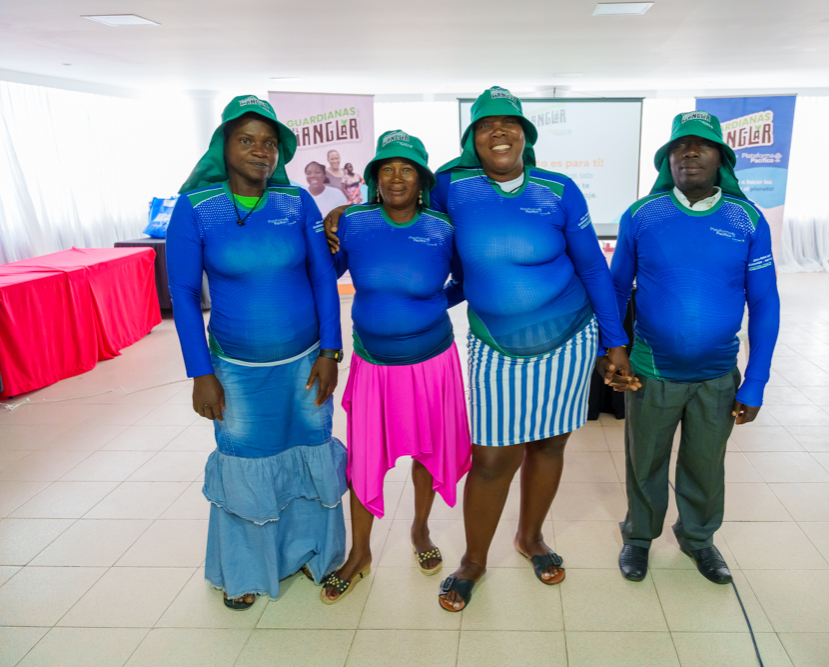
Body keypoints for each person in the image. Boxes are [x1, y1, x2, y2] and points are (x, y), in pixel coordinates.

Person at [428, 86, 634, 611]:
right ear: (471, 138)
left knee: (549, 445)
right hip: (495, 344)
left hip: (569, 336)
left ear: (526, 135)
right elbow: (407, 219)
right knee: (493, 456)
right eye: (485, 124)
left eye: (510, 123)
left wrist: (615, 341)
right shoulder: (451, 188)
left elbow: (592, 267)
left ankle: (531, 537)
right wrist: (344, 217)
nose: (499, 131)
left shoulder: (558, 189)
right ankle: (474, 560)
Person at [166, 95, 347, 610]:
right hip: (237, 371)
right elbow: (181, 293)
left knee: (310, 451)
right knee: (246, 459)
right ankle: (245, 569)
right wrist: (200, 372)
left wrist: (331, 351)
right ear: (223, 147)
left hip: (306, 362)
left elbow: (321, 278)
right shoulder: (196, 208)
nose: (260, 151)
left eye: (269, 143)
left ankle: (316, 553)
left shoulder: (297, 204)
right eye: (246, 140)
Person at [608, 110, 780, 584]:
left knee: (705, 465)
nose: (689, 153)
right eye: (679, 147)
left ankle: (698, 540)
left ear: (721, 158)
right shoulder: (643, 215)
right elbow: (616, 290)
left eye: (701, 145)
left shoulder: (746, 219)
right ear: (668, 160)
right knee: (646, 462)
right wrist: (612, 348)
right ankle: (638, 539)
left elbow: (765, 303)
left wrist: (757, 382)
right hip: (652, 371)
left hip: (717, 374)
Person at [319, 130, 471, 603]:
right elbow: (330, 274)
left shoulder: (443, 227)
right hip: (373, 364)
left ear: (422, 179)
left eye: (407, 168)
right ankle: (359, 552)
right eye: (387, 169)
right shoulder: (355, 222)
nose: (397, 177)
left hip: (432, 361)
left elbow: (464, 282)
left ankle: (421, 531)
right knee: (364, 459)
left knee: (427, 453)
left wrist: (428, 304)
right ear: (374, 178)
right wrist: (325, 231)